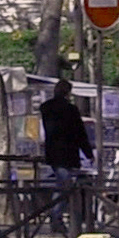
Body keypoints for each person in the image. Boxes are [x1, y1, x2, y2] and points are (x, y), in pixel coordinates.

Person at [38, 77, 93, 218]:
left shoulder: (46, 108)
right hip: (68, 152)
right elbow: (80, 133)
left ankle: (57, 216)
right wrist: (88, 153)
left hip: (53, 152)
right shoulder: (70, 110)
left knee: (63, 184)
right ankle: (55, 216)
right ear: (68, 92)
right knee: (65, 186)